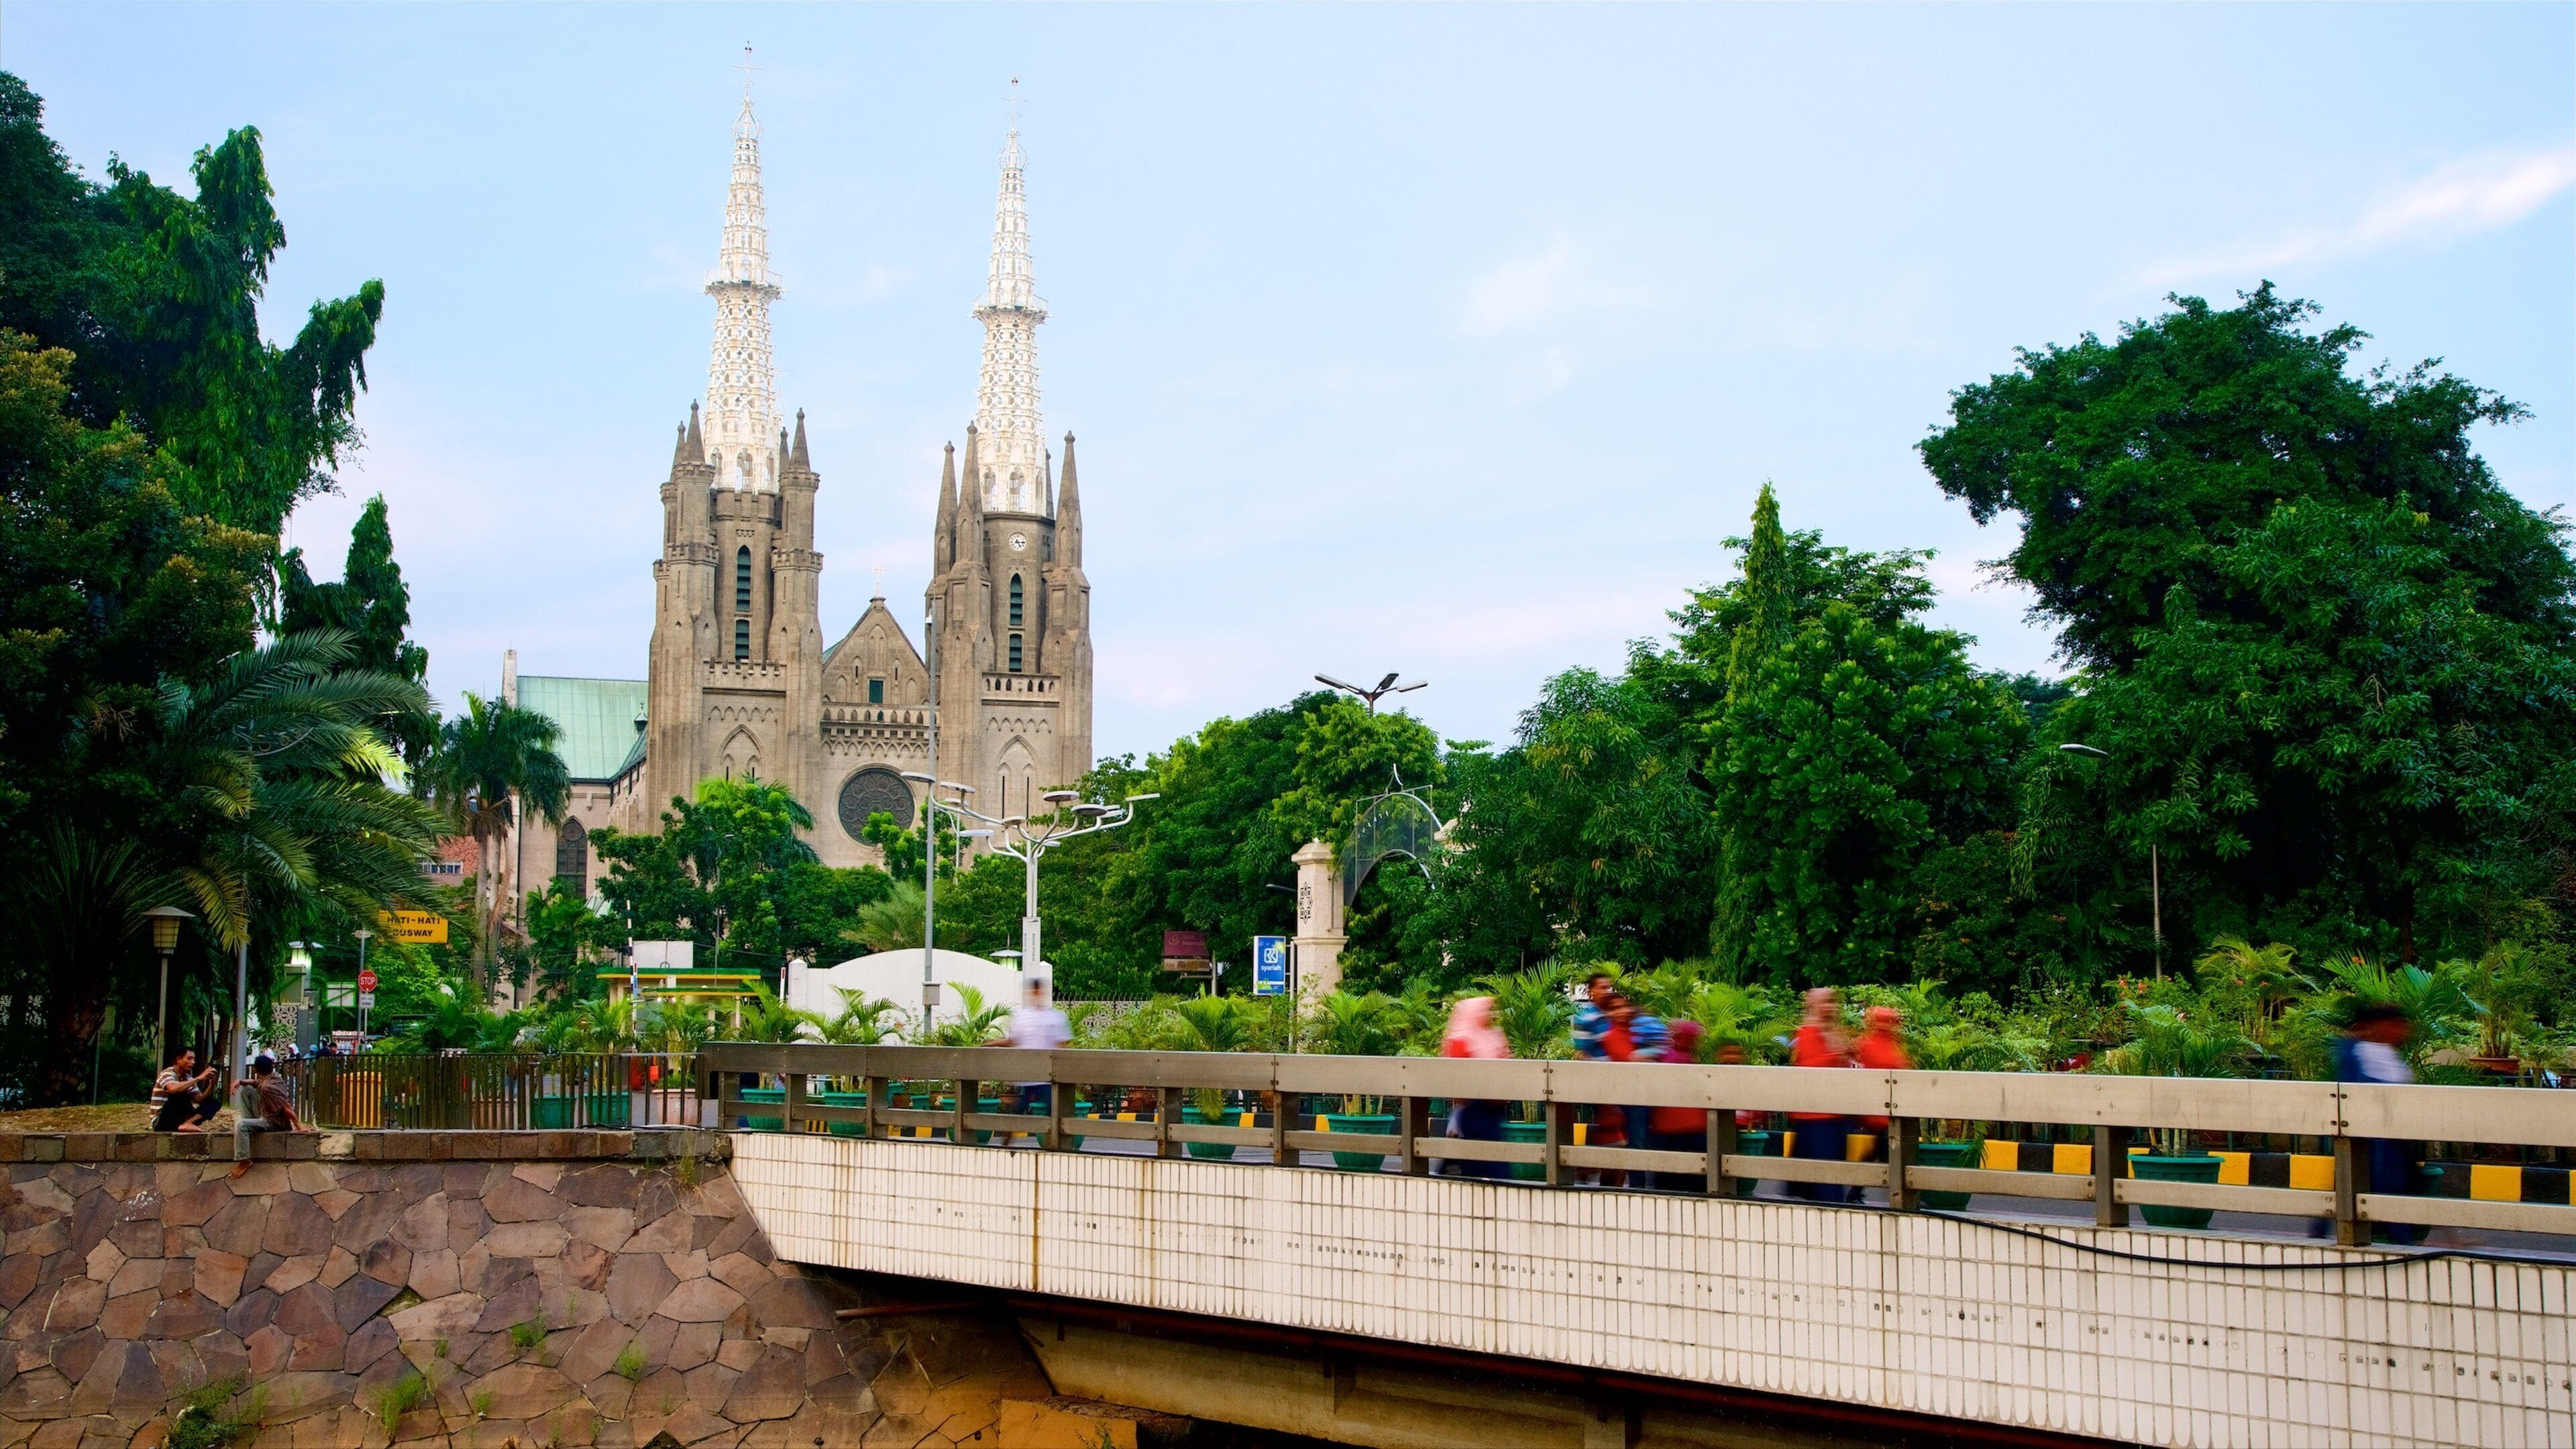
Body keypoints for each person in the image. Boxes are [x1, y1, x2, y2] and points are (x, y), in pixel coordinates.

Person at [2330, 1003, 2425, 1246]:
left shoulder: (2383, 1053)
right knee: (2378, 1192)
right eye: (2396, 1026)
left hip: (2392, 1142)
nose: (2403, 1032)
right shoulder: (2357, 1054)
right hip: (2375, 1144)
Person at [1786, 988, 1858, 1202]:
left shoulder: (1835, 1033)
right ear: (1814, 1005)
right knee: (1825, 1187)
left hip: (1837, 1117)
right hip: (1815, 1120)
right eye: (1825, 1002)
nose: (1830, 1007)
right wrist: (1834, 1053)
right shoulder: (1807, 1033)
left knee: (1833, 1178)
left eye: (1833, 1002)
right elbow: (1809, 1069)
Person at [1441, 996, 1511, 1179]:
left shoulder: (1493, 1035)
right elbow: (1459, 1078)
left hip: (1494, 1109)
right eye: (1484, 1010)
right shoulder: (1461, 1038)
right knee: (1481, 1164)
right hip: (1474, 1110)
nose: (1488, 1014)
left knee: (1493, 1160)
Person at [1849, 1006, 1911, 1203]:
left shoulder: (1884, 1043)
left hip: (1885, 1108)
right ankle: (1901, 1193)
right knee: (1890, 1152)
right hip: (1883, 1109)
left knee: (1881, 1151)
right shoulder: (1878, 1045)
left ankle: (1856, 1192)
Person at [1005, 979, 1072, 1144]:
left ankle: (1051, 1141)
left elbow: (1062, 1044)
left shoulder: (1053, 1017)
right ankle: (1050, 1140)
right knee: (1033, 1107)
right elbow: (1014, 1041)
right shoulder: (1025, 1017)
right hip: (1032, 1073)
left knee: (1047, 1107)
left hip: (1045, 1073)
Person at [1646, 1020, 1709, 1191]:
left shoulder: (1667, 1057)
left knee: (1670, 1181)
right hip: (1687, 1130)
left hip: (1668, 1128)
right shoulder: (1681, 1060)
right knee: (1692, 1181)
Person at [150, 1049, 221, 1133]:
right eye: (189, 1059)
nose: (193, 1062)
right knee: (180, 1093)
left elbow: (199, 1100)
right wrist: (199, 1078)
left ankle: (188, 1123)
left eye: (194, 1059)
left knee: (215, 1102)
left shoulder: (188, 1078)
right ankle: (185, 1124)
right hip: (162, 1121)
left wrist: (211, 1085)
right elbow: (173, 1089)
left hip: (181, 1121)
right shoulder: (167, 1073)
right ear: (178, 1059)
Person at [238, 1055, 305, 1135]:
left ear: (255, 1070)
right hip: (268, 1116)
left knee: (240, 1125)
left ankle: (245, 1139)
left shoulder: (267, 1088)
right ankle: (250, 1123)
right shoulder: (274, 1077)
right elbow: (254, 1082)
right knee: (248, 1089)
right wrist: (240, 1082)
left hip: (273, 1123)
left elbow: (287, 1107)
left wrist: (299, 1128)